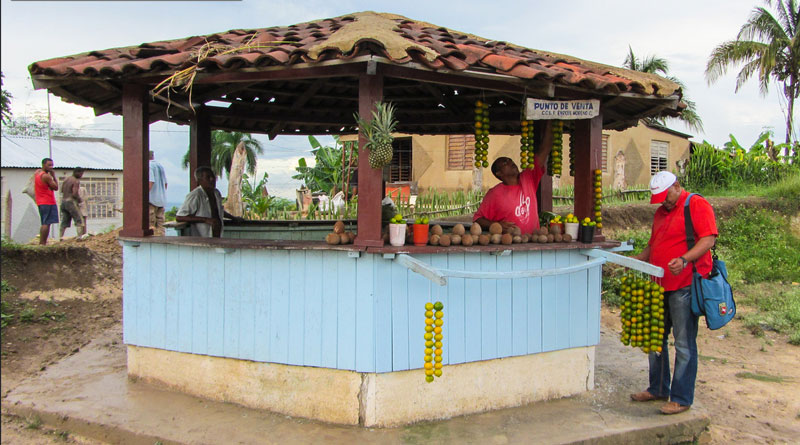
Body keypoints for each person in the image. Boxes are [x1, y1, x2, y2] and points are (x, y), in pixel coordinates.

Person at [630, 171, 718, 415]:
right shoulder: (660, 213)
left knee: (683, 343)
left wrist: (684, 259)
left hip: (684, 285)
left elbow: (708, 239)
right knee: (655, 339)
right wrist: (636, 260)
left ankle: (681, 398)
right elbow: (653, 244)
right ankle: (657, 388)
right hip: (659, 284)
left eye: (665, 196)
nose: (663, 201)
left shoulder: (696, 204)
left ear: (677, 186)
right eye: (659, 198)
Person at [473, 121, 552, 235]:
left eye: (510, 160)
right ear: (499, 173)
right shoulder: (494, 194)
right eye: (505, 163)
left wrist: (549, 120)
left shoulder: (528, 178)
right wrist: (496, 225)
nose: (511, 163)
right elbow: (477, 219)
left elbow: (545, 149)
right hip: (510, 246)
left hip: (534, 242)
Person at [176, 166, 242, 238]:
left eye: (213, 177)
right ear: (199, 180)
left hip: (217, 236)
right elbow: (180, 217)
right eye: (208, 177)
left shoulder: (216, 193)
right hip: (202, 238)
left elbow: (219, 211)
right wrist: (206, 220)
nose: (212, 179)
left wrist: (234, 218)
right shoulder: (195, 195)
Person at [34, 158, 59, 245]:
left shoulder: (37, 174)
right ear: (43, 165)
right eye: (49, 165)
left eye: (52, 165)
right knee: (46, 223)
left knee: (45, 222)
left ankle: (42, 242)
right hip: (47, 201)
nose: (51, 167)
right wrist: (54, 176)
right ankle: (43, 242)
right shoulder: (46, 176)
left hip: (41, 201)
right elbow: (56, 187)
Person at [59, 167, 86, 240]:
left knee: (64, 221)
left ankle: (60, 237)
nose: (81, 176)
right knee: (79, 220)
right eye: (81, 174)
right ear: (77, 172)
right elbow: (74, 194)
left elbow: (62, 190)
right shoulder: (76, 181)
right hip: (71, 202)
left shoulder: (66, 179)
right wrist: (79, 199)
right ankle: (79, 237)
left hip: (64, 202)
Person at [149, 150, 168, 236]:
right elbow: (165, 184)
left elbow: (151, 182)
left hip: (151, 200)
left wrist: (144, 196)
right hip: (161, 200)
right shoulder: (160, 166)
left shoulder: (149, 166)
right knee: (161, 226)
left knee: (151, 226)